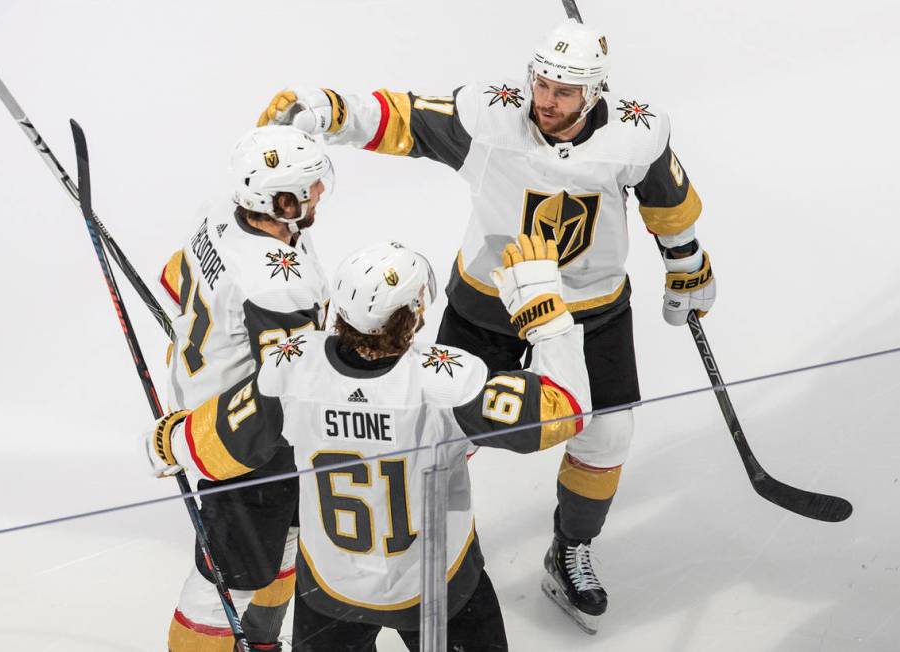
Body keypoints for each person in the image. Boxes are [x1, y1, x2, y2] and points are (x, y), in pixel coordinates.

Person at [255, 18, 716, 633]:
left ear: (596, 93)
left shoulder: (636, 132)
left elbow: (666, 202)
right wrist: (329, 110)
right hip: (488, 302)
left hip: (590, 307)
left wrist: (686, 264)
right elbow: (404, 120)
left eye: (564, 92)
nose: (545, 101)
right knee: (439, 434)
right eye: (541, 83)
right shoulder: (491, 117)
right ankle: (406, 537)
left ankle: (569, 547)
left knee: (605, 439)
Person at [145, 236, 592, 651]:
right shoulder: (445, 382)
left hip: (330, 591)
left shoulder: (293, 368)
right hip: (435, 589)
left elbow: (218, 445)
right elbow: (567, 411)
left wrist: (170, 442)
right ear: (414, 313)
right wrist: (546, 316)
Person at [157, 125, 332, 650]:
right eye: (311, 187)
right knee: (222, 585)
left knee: (286, 544)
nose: (321, 192)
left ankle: (257, 643)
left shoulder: (217, 215)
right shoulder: (280, 283)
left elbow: (173, 281)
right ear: (281, 201)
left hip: (206, 402)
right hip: (245, 440)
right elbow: (291, 387)